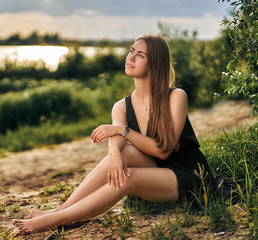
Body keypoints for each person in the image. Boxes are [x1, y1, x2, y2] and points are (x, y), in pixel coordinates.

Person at [12, 33, 214, 234]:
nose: (131, 58)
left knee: (127, 177)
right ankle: (59, 210)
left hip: (190, 176)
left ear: (155, 63)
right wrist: (115, 153)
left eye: (140, 55)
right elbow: (117, 142)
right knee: (118, 155)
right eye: (131, 51)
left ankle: (56, 219)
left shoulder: (176, 97)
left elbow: (163, 151)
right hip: (157, 169)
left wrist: (123, 131)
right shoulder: (121, 107)